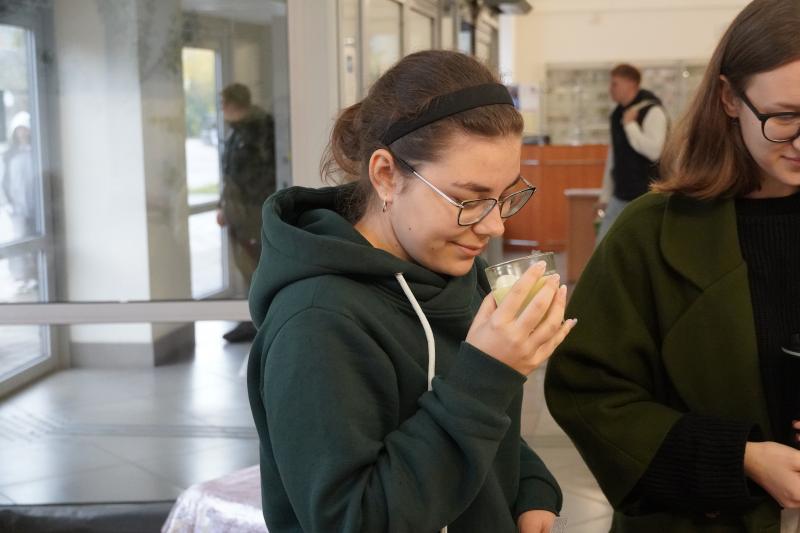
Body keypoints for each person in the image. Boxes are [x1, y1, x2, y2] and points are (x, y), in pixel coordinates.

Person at [246, 50, 577, 532]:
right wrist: (489, 374)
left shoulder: (459, 270)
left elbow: (478, 426)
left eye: (506, 195)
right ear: (386, 175)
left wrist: (530, 488)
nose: (495, 225)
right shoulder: (317, 321)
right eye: (468, 199)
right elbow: (354, 520)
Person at [545, 0, 800, 531]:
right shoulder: (650, 234)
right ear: (729, 98)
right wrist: (738, 458)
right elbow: (588, 389)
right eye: (785, 117)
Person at [216, 83, 276, 343]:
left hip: (253, 212)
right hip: (240, 212)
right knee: (246, 267)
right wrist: (224, 205)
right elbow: (230, 175)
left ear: (233, 103)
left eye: (223, 103)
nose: (221, 109)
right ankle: (251, 319)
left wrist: (243, 207)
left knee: (256, 267)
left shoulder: (258, 130)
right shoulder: (238, 131)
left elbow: (261, 175)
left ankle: (258, 321)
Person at [596, 64, 668, 244]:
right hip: (620, 194)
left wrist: (631, 126)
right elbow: (614, 157)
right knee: (603, 246)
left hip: (646, 196)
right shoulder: (616, 115)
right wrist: (605, 195)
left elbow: (655, 152)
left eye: (615, 84)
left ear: (631, 83)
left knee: (642, 246)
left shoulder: (653, 111)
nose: (610, 89)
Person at [1, 111, 37, 290]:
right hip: (17, 207)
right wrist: (7, 203)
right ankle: (20, 277)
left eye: (25, 129)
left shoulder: (36, 151)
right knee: (19, 240)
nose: (22, 133)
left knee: (35, 239)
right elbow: (3, 181)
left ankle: (35, 275)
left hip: (35, 206)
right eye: (19, 129)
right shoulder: (8, 155)